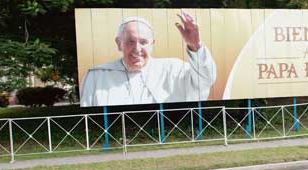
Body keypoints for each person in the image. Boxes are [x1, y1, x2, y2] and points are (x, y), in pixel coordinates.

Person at [80, 13, 217, 107]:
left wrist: (195, 47)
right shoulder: (96, 76)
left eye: (143, 42)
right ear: (118, 43)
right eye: (130, 41)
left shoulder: (174, 69)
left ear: (152, 44)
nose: (137, 48)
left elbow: (205, 80)